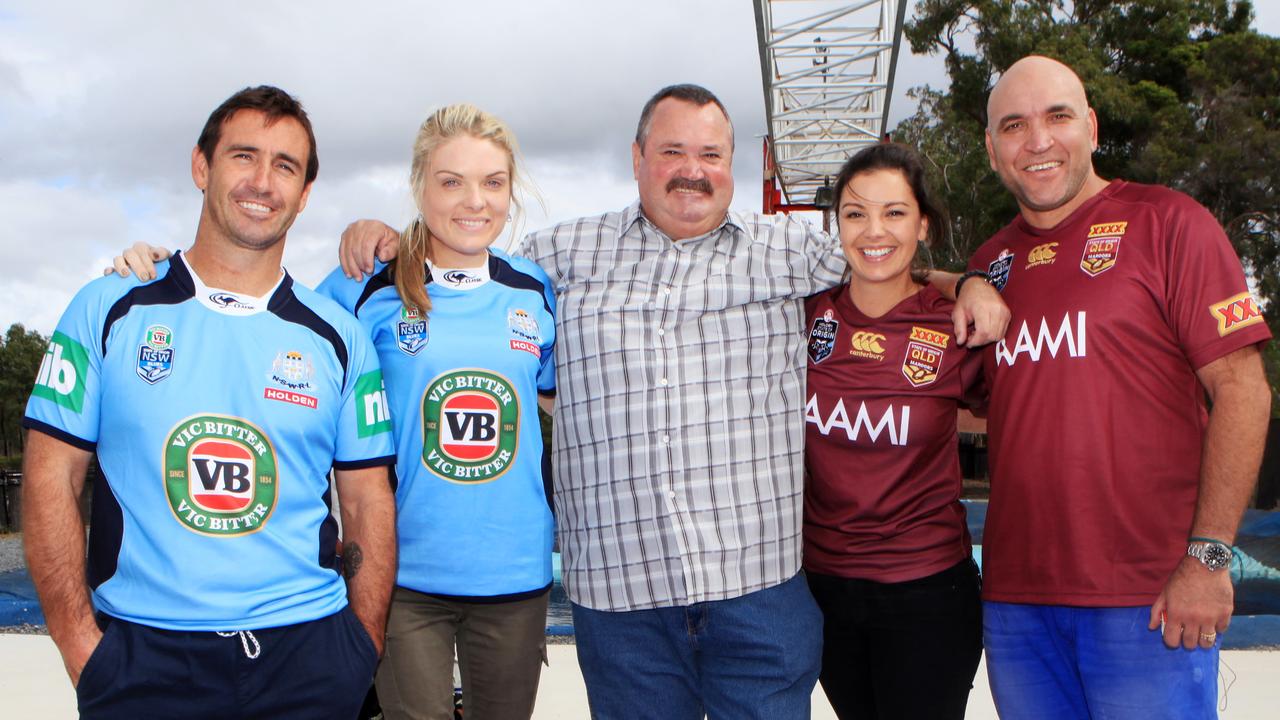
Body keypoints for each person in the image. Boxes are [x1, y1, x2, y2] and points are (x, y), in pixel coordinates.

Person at [334, 83, 1010, 719]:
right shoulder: (557, 257)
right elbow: (465, 265)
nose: (693, 170)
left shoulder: (794, 249)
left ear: (732, 164)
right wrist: (389, 240)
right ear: (637, 160)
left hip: (759, 598)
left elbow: (884, 251)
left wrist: (971, 281)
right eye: (672, 152)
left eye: (711, 154)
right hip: (622, 606)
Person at [22, 86, 397, 719]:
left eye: (285, 166)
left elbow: (366, 499)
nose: (262, 181)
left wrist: (361, 644)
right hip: (142, 658)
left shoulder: (339, 335)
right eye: (243, 156)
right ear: (202, 166)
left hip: (310, 657)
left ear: (305, 193)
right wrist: (83, 647)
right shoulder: (108, 308)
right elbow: (49, 475)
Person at [969, 56, 1272, 719]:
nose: (1038, 140)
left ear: (1093, 127)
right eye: (1014, 125)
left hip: (1152, 594)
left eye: (1057, 117)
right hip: (1018, 600)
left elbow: (1244, 391)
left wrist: (1208, 558)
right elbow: (984, 408)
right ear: (993, 150)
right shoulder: (989, 264)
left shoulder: (1169, 223)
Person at [316, 104, 556, 720]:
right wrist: (150, 270)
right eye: (452, 182)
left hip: (514, 573)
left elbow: (559, 398)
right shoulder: (367, 282)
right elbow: (263, 328)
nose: (474, 201)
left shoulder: (534, 287)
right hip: (402, 576)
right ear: (420, 186)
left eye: (492, 183)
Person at [803, 143, 984, 719]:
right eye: (855, 213)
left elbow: (1034, 422)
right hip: (822, 589)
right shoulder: (802, 316)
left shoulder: (957, 323)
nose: (873, 230)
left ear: (923, 224)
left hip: (928, 591)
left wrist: (970, 282)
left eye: (895, 212)